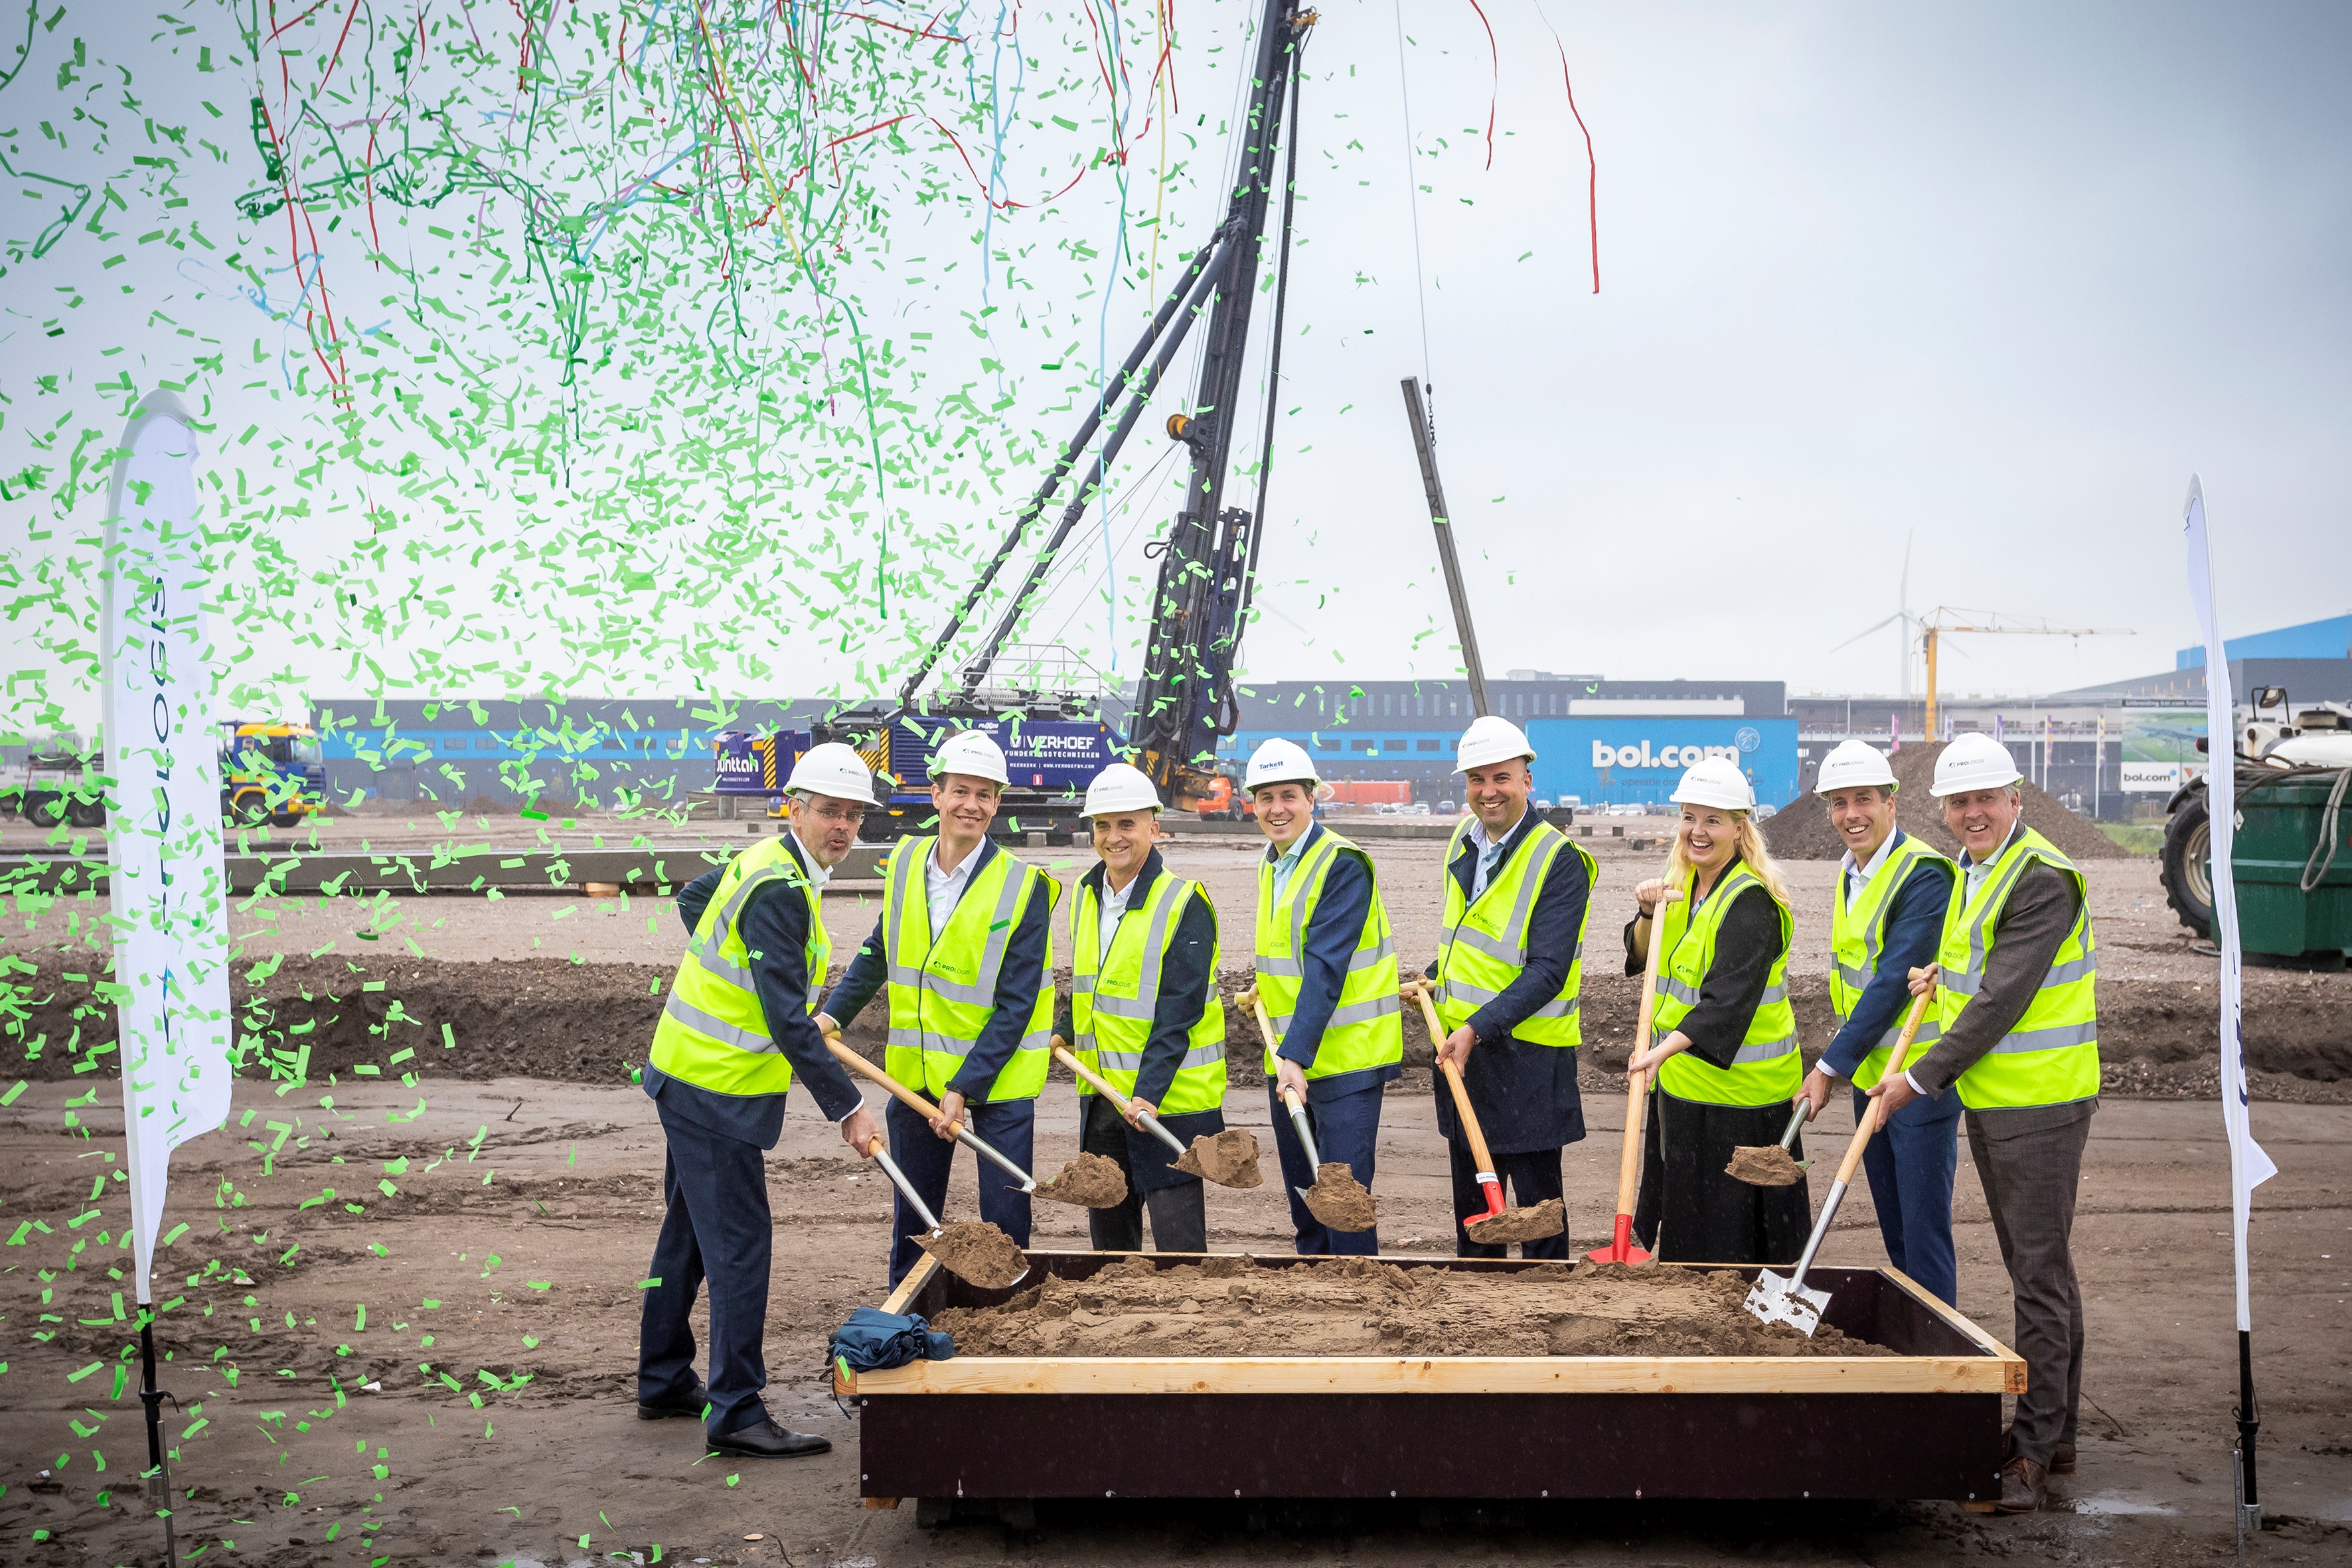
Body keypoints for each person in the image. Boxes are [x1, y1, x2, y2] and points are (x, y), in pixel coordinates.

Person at [637, 742, 882, 1460]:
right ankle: (736, 1408)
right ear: (795, 808)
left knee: (686, 1234)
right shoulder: (778, 887)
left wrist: (737, 969)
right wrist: (848, 1107)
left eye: (852, 814)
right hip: (715, 1089)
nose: (841, 825)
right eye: (829, 811)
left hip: (685, 1075)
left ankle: (661, 1377)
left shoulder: (768, 864)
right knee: (741, 1246)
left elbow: (693, 900)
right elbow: (788, 1021)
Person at [1887, 732, 2100, 1513]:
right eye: (1959, 801)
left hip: (2040, 1101)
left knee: (2038, 1274)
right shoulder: (1983, 870)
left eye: (1986, 798)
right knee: (2040, 1268)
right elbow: (1984, 970)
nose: (1972, 812)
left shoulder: (2042, 876)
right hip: (2000, 1095)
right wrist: (1939, 976)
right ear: (1943, 809)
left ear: (2016, 797)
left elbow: (2004, 997)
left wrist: (1917, 1076)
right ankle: (2060, 1431)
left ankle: (2034, 1451)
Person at [817, 730, 1059, 1287]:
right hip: (916, 1072)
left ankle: (1008, 1314)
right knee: (914, 1211)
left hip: (996, 1078)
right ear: (936, 794)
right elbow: (882, 949)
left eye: (984, 794)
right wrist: (834, 1014)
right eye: (960, 791)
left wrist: (964, 1085)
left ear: (997, 803)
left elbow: (1018, 1002)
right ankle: (907, 1316)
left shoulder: (1026, 887)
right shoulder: (904, 863)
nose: (970, 805)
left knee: (1004, 1217)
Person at [1421, 715, 1595, 1259]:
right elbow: (1472, 939)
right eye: (1476, 779)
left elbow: (1548, 970)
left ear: (1526, 779)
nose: (1487, 791)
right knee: (1475, 1210)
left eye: (1501, 778)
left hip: (1528, 1061)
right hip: (1466, 1053)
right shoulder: (1462, 839)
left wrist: (1475, 1026)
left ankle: (1546, 1314)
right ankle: (1479, 1313)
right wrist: (1436, 974)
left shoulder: (1559, 860)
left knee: (1538, 1210)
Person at [1794, 739, 1960, 1304]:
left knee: (1922, 1229)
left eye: (1862, 799)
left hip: (1914, 1081)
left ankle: (1941, 1358)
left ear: (1891, 802)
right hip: (1872, 1077)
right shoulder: (1852, 873)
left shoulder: (1923, 875)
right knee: (1895, 1228)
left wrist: (1827, 1066)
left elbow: (1892, 982)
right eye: (1838, 803)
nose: (1851, 815)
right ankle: (1912, 1337)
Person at [1625, 755, 1809, 1264]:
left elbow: (1727, 1000)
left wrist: (1661, 1051)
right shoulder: (1678, 884)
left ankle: (1750, 1329)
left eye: (1712, 820)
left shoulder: (1751, 902)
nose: (1696, 831)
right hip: (1685, 1091)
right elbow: (1641, 955)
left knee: (1736, 1235)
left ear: (1738, 828)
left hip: (1743, 1103)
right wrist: (1646, 912)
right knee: (1689, 1226)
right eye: (1688, 817)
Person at [1247, 737, 1404, 1255]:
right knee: (1307, 1203)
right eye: (1265, 797)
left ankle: (1363, 1305)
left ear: (1312, 798)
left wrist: (1293, 1057)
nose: (1277, 809)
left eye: (1288, 795)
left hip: (1345, 1062)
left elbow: (1326, 967)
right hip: (1293, 1057)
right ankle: (1315, 1304)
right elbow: (1292, 956)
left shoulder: (1341, 863)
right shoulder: (1274, 863)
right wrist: (1265, 991)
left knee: (1342, 1204)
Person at [1061, 762, 1226, 1252]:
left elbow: (1179, 1009)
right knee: (1111, 1248)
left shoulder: (1184, 901)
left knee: (1179, 1249)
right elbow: (1091, 985)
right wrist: (1063, 1032)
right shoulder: (1084, 893)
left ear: (1154, 828)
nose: (1114, 837)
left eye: (1126, 824)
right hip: (1104, 1099)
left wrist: (1148, 1094)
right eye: (1102, 825)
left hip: (1168, 1105)